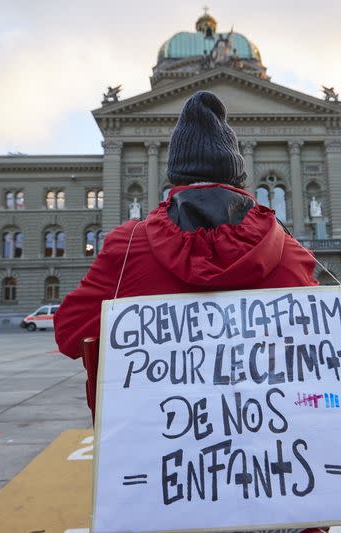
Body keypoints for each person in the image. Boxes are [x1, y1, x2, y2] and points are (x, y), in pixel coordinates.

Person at [54, 90, 318, 412]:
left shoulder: (127, 247)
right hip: (270, 447)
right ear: (237, 177)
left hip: (158, 444)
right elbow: (316, 344)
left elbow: (70, 334)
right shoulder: (289, 251)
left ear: (175, 176)